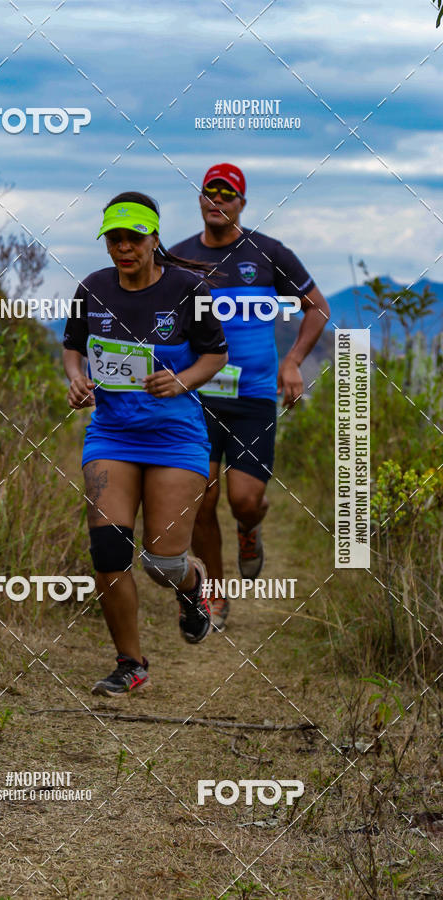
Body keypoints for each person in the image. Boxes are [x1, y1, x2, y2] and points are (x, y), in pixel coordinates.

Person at [63, 191, 228, 696]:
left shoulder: (188, 289)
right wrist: (76, 380)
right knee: (109, 551)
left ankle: (194, 587)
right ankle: (130, 664)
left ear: (154, 238)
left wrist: (181, 382)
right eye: (115, 238)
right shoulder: (91, 289)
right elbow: (73, 347)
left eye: (134, 238)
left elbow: (215, 356)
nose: (125, 248)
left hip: (175, 438)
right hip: (111, 435)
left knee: (161, 563)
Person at [170, 163, 330, 630]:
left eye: (228, 193)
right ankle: (213, 596)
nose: (217, 199)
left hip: (254, 396)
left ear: (242, 202)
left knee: (243, 498)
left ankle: (249, 526)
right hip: (197, 396)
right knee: (201, 499)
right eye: (209, 192)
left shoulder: (267, 253)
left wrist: (293, 361)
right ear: (200, 200)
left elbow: (317, 307)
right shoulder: (178, 257)